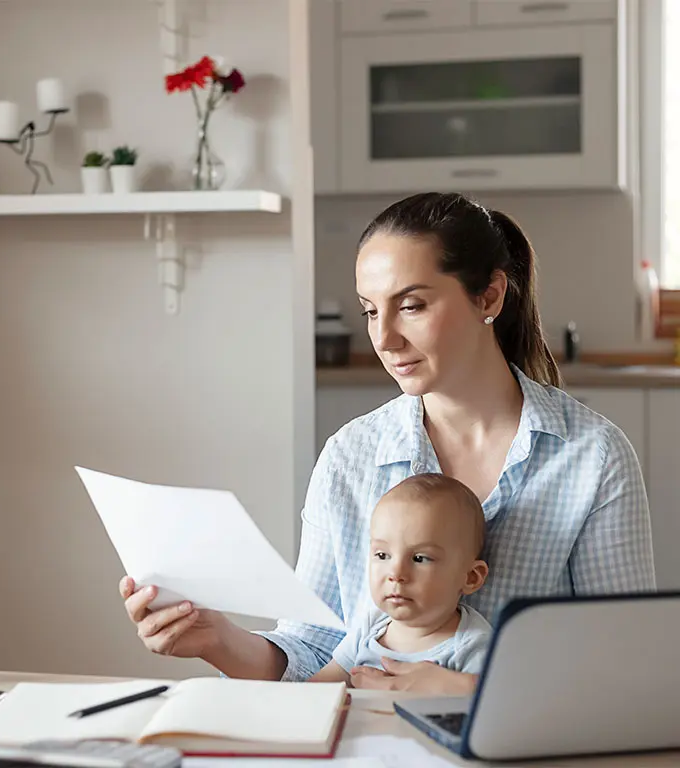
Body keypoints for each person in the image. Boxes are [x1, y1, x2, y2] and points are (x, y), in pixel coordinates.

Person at [120, 192, 656, 694]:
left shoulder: (592, 458)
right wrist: (216, 639)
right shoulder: (350, 457)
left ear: (489, 296)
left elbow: (624, 668)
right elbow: (314, 649)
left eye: (412, 306)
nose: (383, 339)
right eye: (371, 310)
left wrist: (474, 694)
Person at [309, 473, 491, 684]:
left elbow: (494, 711)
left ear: (470, 577)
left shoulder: (473, 647)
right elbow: (321, 687)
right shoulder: (371, 626)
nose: (396, 574)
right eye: (382, 555)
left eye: (419, 558)